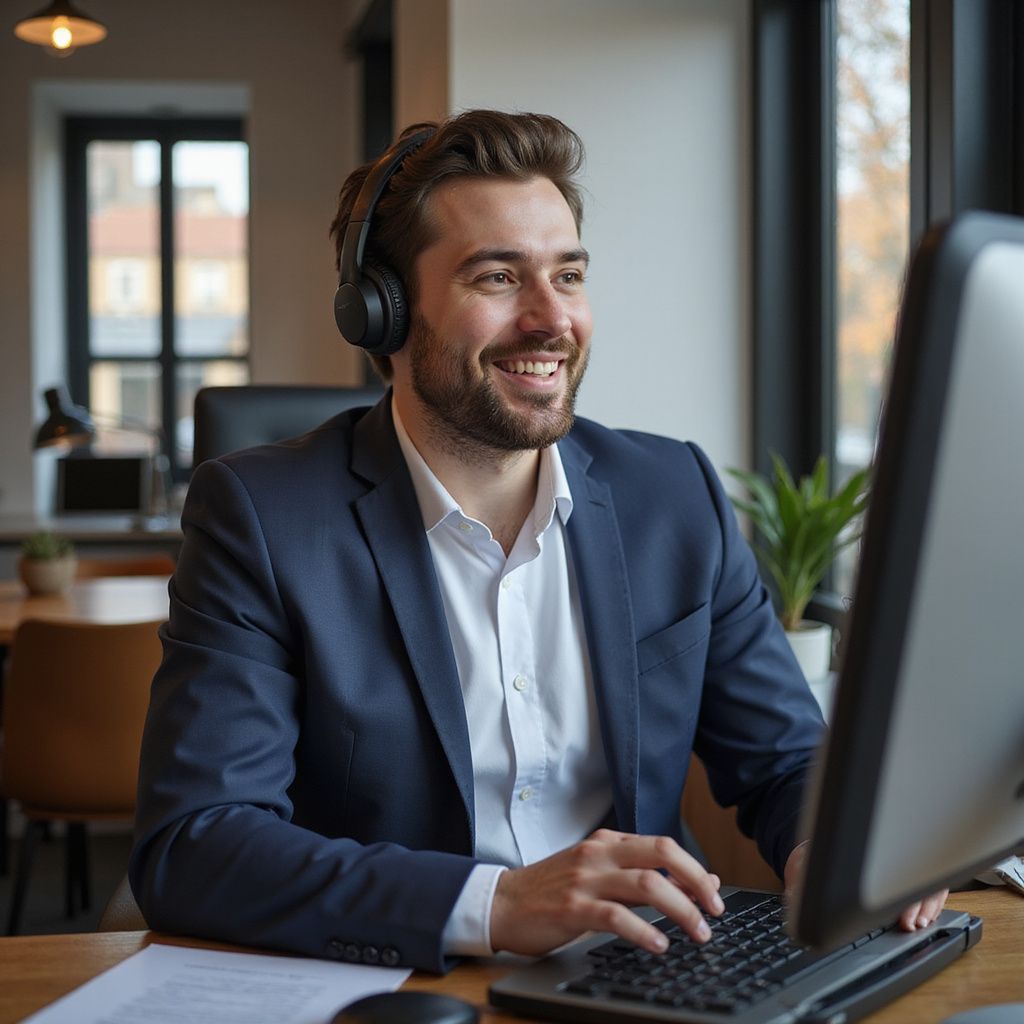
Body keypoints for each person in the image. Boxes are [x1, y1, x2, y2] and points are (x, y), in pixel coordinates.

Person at [130, 109, 946, 973]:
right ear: (384, 310)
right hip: (405, 983)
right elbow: (196, 843)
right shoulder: (263, 516)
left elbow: (786, 759)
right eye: (496, 278)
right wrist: (495, 904)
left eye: (569, 274)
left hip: (652, 974)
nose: (552, 319)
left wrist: (830, 845)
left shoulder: (673, 496)